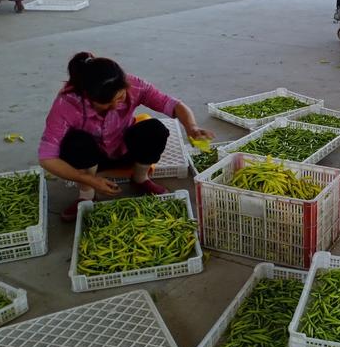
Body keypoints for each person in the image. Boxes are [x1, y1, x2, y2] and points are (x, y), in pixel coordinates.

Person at [39, 52, 215, 222]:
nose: (116, 105)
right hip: (91, 160)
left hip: (123, 149)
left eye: (120, 97)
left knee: (154, 129)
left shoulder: (133, 84)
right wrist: (89, 180)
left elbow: (174, 105)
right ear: (87, 96)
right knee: (76, 142)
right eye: (106, 103)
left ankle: (140, 179)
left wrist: (192, 128)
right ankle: (86, 195)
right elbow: (47, 159)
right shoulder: (67, 103)